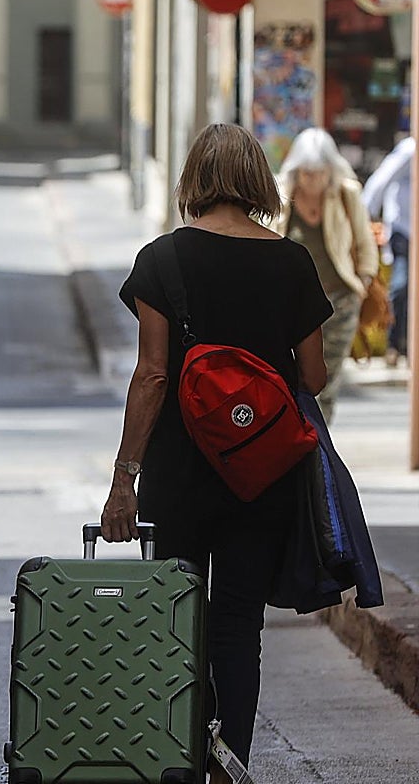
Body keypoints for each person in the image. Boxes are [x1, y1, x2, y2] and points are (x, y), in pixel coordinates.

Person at [101, 123, 331, 779]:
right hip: (262, 473)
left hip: (179, 474)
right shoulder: (291, 262)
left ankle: (178, 756)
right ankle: (232, 761)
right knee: (238, 624)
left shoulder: (161, 261)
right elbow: (312, 377)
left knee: (178, 617)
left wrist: (124, 480)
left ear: (191, 182)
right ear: (258, 181)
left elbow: (151, 374)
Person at [271, 127, 378, 422]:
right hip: (293, 306)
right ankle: (300, 432)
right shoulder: (281, 196)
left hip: (339, 300)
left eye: (319, 173)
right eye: (306, 173)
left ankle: (322, 438)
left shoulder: (345, 194)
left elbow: (364, 241)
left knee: (327, 376)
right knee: (294, 375)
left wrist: (364, 281)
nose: (313, 180)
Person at [362, 134, 413, 367]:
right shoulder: (410, 149)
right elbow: (382, 178)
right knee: (401, 286)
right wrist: (363, 214)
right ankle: (395, 344)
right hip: (405, 229)